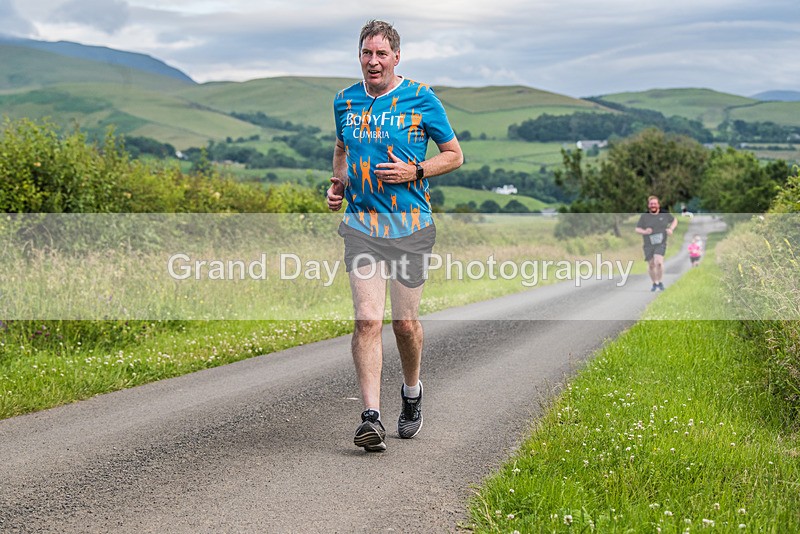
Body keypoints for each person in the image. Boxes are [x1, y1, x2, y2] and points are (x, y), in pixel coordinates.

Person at [326, 20, 463, 452]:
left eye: (381, 54)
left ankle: (411, 392)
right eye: (367, 53)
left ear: (396, 57)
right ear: (359, 56)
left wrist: (415, 170)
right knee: (367, 320)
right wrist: (338, 183)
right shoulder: (345, 100)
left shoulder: (421, 98)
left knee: (404, 324)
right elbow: (342, 147)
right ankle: (371, 417)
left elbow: (454, 155)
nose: (373, 61)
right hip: (362, 227)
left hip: (411, 228)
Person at [635, 195, 677, 291]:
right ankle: (655, 283)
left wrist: (671, 229)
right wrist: (645, 231)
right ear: (648, 205)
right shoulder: (644, 216)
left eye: (655, 203)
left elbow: (674, 220)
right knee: (651, 265)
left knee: (659, 263)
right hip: (648, 244)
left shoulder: (664, 213)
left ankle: (660, 282)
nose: (653, 205)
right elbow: (637, 229)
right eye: (651, 204)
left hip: (661, 243)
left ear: (658, 205)